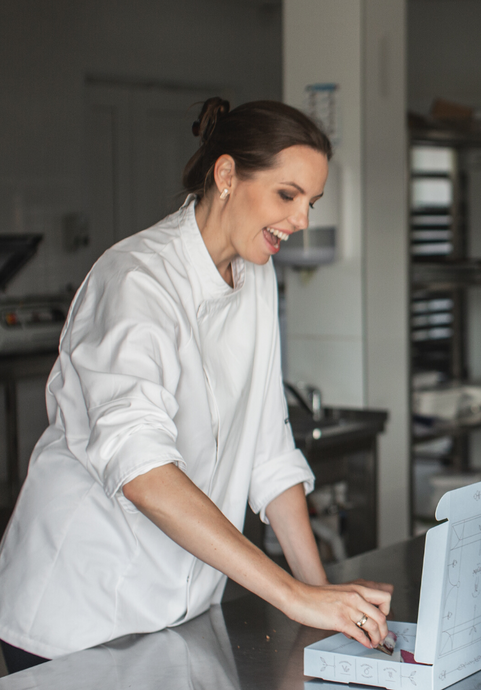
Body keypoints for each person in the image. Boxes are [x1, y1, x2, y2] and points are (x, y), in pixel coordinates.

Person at [0, 98, 392, 674]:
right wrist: (290, 594)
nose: (303, 219)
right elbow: (145, 475)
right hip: (79, 620)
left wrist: (320, 597)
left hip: (178, 618)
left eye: (311, 201)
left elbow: (268, 448)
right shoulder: (135, 280)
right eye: (288, 195)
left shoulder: (255, 275)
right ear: (227, 174)